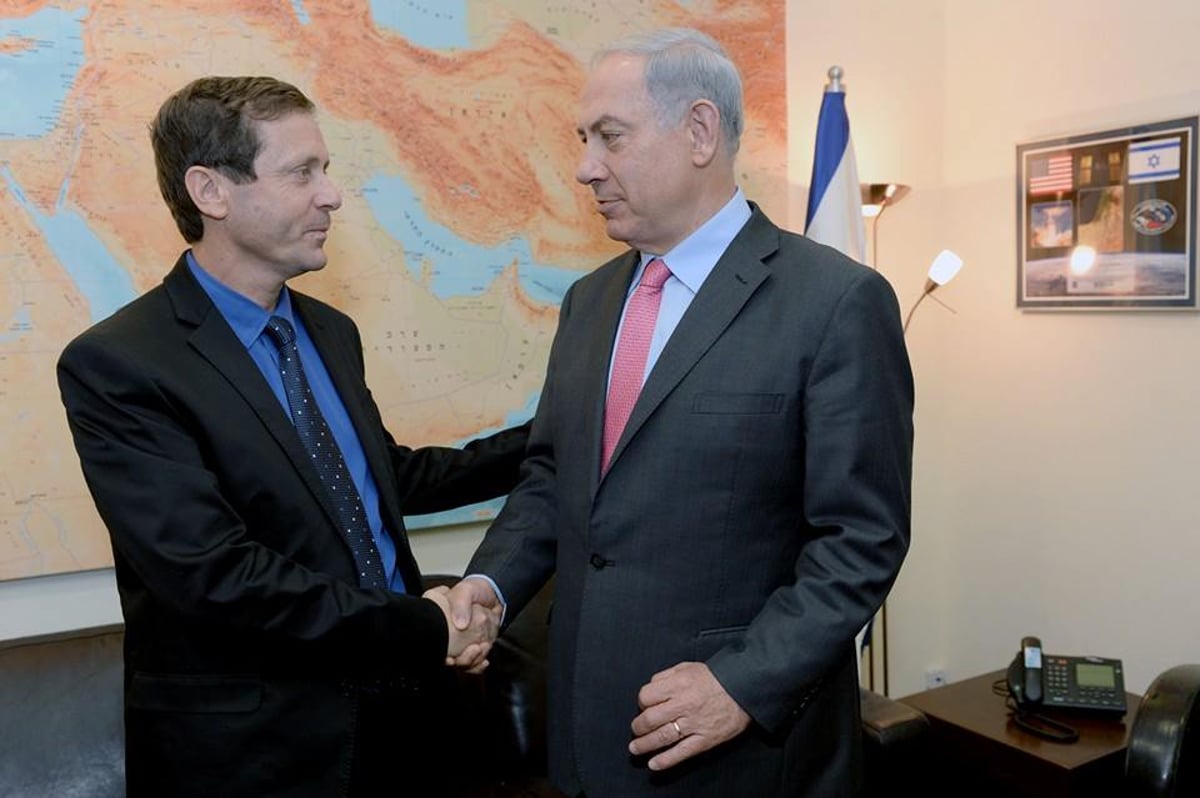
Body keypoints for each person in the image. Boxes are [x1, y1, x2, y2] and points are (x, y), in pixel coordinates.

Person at [442, 28, 914, 797]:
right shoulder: (589, 301)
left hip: (739, 755)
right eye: (584, 139)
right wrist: (489, 587)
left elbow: (861, 540)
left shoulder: (834, 302)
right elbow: (551, 478)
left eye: (610, 137)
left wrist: (741, 684)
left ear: (699, 131)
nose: (585, 166)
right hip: (584, 735)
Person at [56, 76, 526, 797]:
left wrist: (558, 432)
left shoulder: (329, 331)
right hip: (258, 754)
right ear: (211, 192)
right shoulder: (121, 364)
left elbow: (376, 479)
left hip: (406, 717)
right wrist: (425, 625)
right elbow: (216, 577)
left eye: (325, 170)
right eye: (302, 172)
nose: (331, 195)